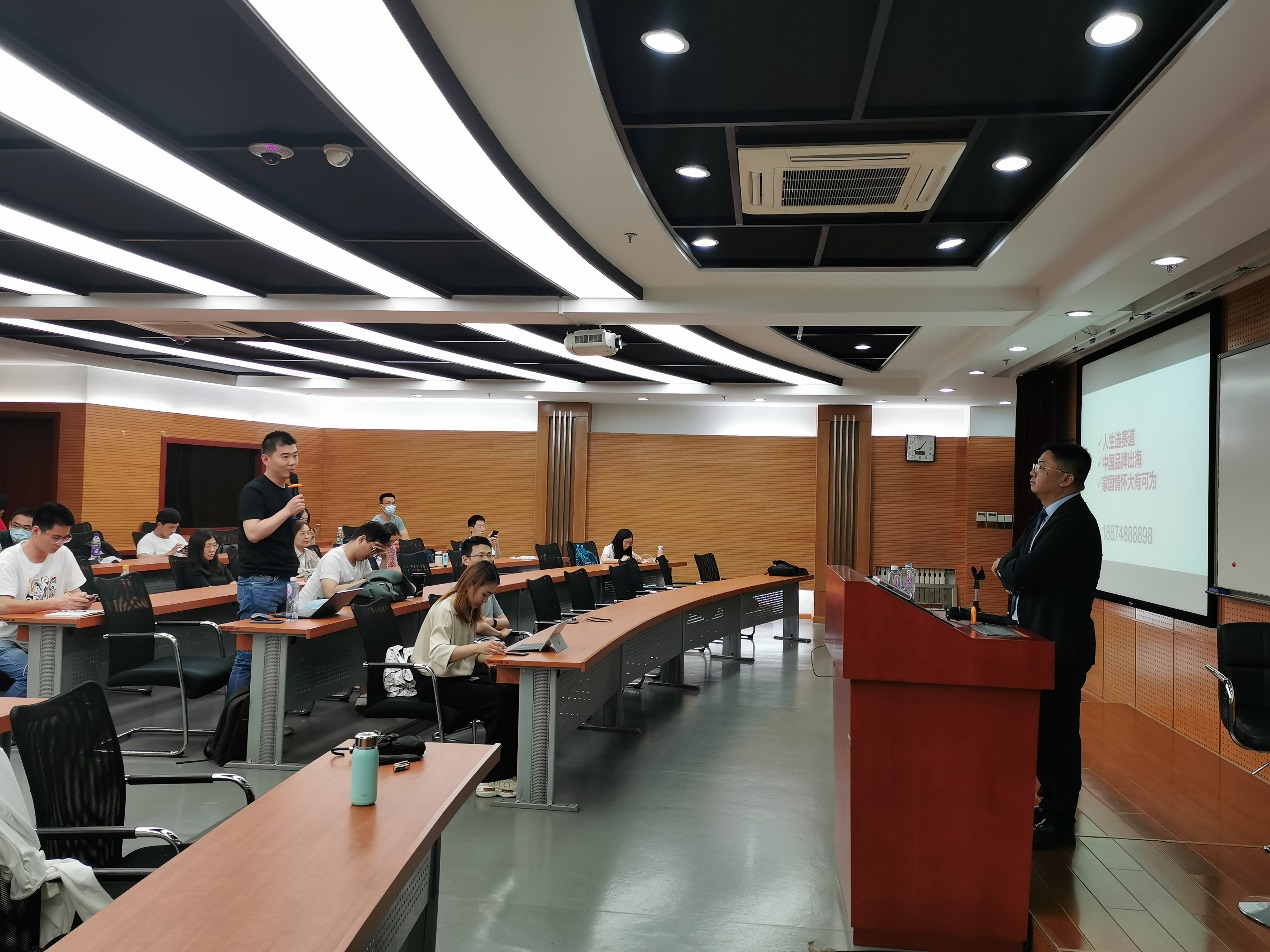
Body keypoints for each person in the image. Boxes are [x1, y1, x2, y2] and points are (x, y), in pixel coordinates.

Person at [992, 443, 1102, 851]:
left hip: (1059, 646)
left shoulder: (1074, 523)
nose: (1033, 472)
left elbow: (1020, 571)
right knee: (1041, 733)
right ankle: (1048, 805)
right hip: (1034, 642)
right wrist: (1010, 569)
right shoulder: (1043, 517)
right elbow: (1014, 562)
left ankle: (1059, 822)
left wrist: (1008, 570)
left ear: (1066, 478)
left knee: (1057, 736)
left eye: (1042, 466)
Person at [413, 559, 518, 798]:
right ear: (471, 585)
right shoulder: (445, 609)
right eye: (485, 594)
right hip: (434, 684)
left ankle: (507, 767)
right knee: (500, 700)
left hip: (455, 678)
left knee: (511, 692)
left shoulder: (466, 609)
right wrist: (478, 648)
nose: (486, 600)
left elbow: (463, 653)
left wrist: (490, 654)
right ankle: (492, 778)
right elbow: (439, 653)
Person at [227, 431, 306, 698]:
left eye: (295, 456)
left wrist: (297, 517)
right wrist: (287, 511)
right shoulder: (254, 491)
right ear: (266, 459)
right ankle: (234, 720)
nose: (292, 462)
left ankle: (267, 716)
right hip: (260, 582)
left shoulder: (287, 491)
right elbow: (253, 533)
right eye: (285, 456)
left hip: (287, 580)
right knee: (249, 656)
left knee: (278, 655)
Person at [0, 502, 90, 697]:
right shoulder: (9, 559)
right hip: (5, 639)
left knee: (66, 673)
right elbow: (3, 606)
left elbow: (75, 591)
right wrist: (56, 603)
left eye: (66, 538)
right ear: (36, 531)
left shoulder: (63, 553)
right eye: (55, 537)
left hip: (44, 639)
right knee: (36, 676)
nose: (60, 543)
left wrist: (80, 599)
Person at [296, 521, 389, 604]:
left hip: (332, 611)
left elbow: (376, 583)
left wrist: (384, 559)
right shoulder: (333, 558)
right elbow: (330, 593)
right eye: (373, 549)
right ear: (361, 540)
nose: (372, 555)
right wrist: (364, 582)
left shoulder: (363, 560)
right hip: (306, 612)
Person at [459, 536, 510, 635]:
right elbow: (477, 626)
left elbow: (505, 622)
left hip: (492, 641)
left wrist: (490, 621)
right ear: (465, 560)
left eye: (489, 555)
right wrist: (499, 633)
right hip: (474, 643)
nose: (486, 560)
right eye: (480, 555)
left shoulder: (488, 588)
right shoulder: (461, 591)